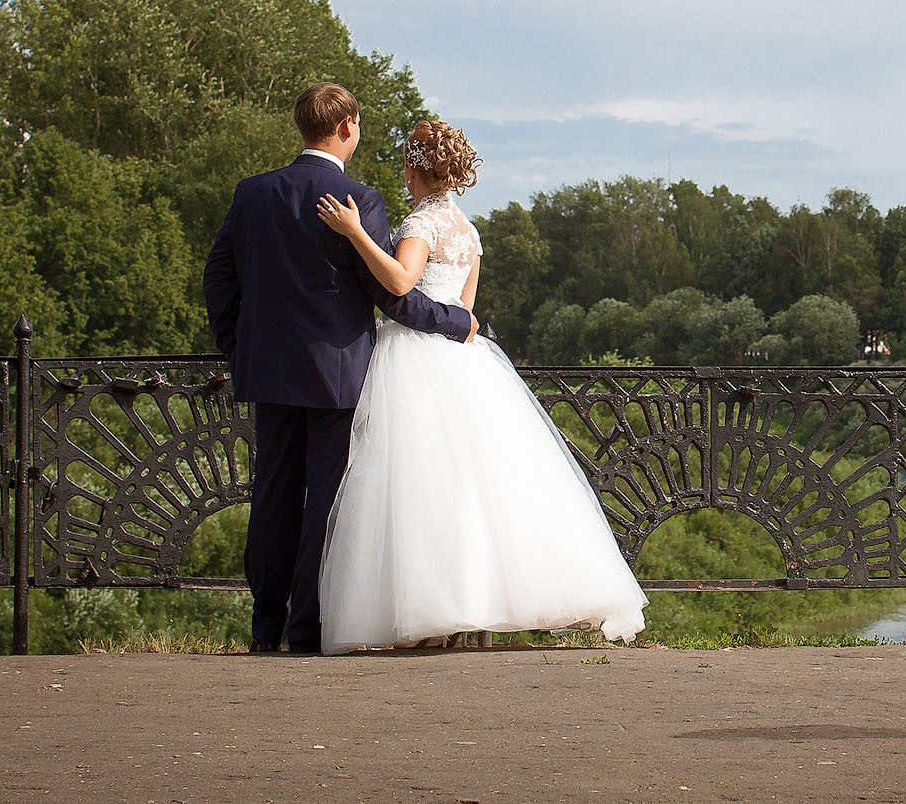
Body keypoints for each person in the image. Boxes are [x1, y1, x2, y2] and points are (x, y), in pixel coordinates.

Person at [312, 119, 647, 651]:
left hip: (411, 357)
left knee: (414, 484)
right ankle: (479, 612)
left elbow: (399, 283)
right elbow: (464, 311)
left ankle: (429, 612)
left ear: (414, 168)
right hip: (462, 361)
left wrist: (354, 233)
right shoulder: (467, 230)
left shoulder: (421, 223)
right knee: (474, 487)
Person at [202, 83, 478, 654]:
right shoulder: (359, 200)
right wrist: (457, 324)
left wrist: (241, 350)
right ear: (348, 127)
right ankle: (306, 631)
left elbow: (219, 279)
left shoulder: (252, 193)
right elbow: (391, 297)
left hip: (270, 375)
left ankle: (263, 631)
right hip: (338, 375)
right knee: (324, 506)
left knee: (272, 498)